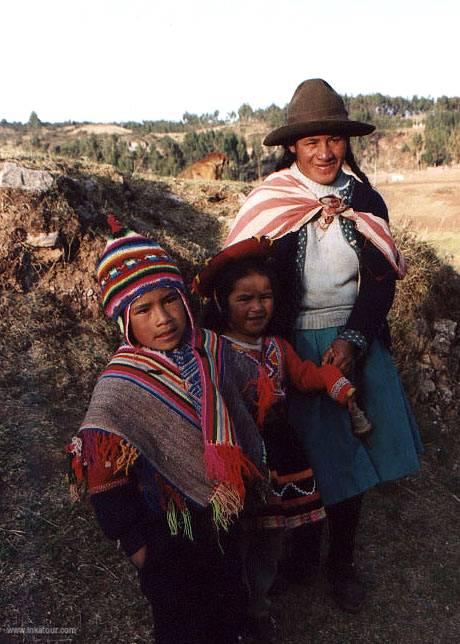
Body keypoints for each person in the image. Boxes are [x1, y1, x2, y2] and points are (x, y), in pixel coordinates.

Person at [223, 79, 423, 613]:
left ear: (346, 142)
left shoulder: (365, 198)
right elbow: (246, 278)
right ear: (294, 146)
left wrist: (355, 339)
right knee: (305, 458)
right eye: (312, 142)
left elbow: (381, 280)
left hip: (353, 339)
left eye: (334, 140)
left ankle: (341, 564)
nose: (324, 152)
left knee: (351, 462)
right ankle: (301, 558)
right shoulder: (271, 202)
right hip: (291, 345)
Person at [66, 216, 267, 644]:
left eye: (170, 301)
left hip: (222, 513)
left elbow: (241, 407)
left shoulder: (211, 350)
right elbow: (105, 478)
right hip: (166, 529)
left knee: (228, 592)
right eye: (143, 309)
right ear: (124, 321)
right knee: (180, 620)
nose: (163, 318)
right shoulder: (120, 386)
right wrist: (138, 546)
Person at [193, 237, 364, 639]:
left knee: (269, 533)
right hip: (237, 454)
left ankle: (258, 605)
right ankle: (230, 604)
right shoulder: (209, 348)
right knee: (233, 536)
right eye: (244, 298)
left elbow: (304, 374)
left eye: (266, 296)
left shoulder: (277, 346)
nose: (257, 307)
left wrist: (331, 379)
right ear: (221, 302)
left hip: (280, 455)